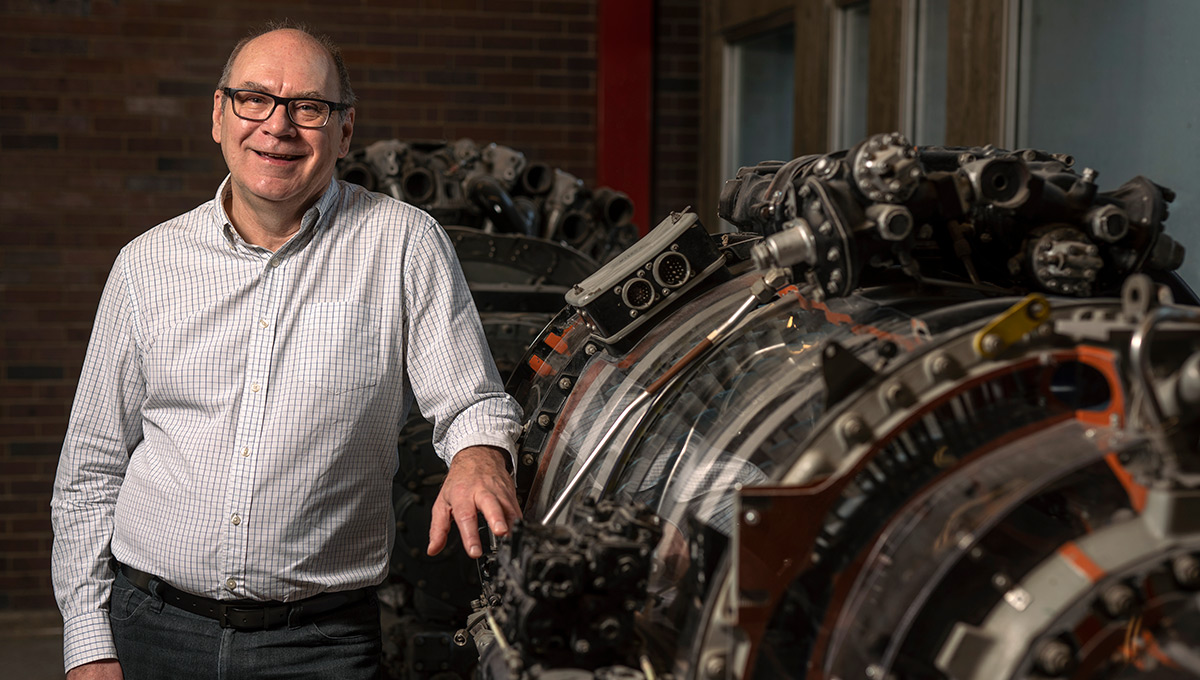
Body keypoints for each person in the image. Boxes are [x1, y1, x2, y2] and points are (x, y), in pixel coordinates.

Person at [50, 22, 523, 679]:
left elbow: (473, 401)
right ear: (219, 115)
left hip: (320, 647)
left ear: (344, 129)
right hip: (151, 632)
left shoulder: (402, 246)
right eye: (254, 99)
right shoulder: (146, 265)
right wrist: (89, 642)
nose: (277, 126)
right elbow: (90, 470)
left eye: (309, 107)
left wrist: (478, 455)